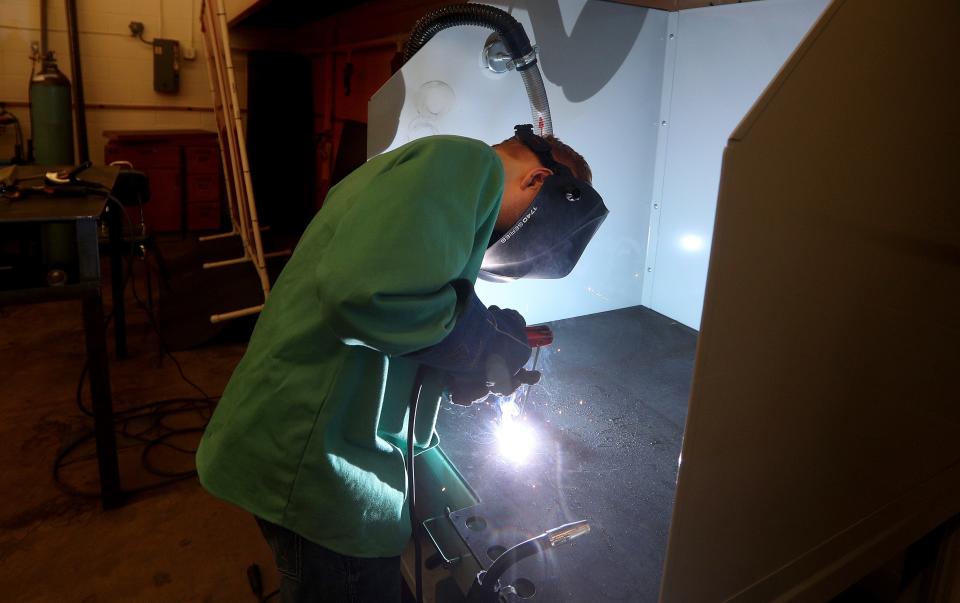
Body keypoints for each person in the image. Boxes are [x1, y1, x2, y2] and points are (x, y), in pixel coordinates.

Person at [195, 128, 599, 602]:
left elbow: (390, 304)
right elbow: (373, 298)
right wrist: (482, 340)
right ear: (537, 179)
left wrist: (454, 371)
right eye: (504, 234)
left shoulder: (410, 173)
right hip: (319, 462)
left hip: (305, 440)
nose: (492, 241)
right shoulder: (465, 163)